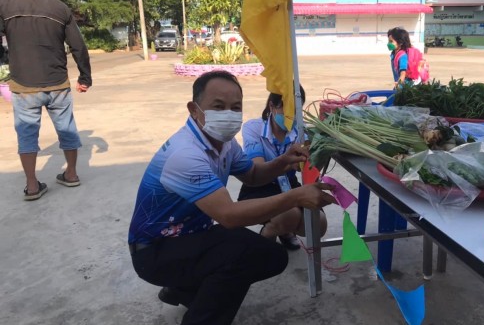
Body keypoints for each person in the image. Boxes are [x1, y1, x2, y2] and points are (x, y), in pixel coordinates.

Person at [128, 71, 335, 325]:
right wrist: (296, 196)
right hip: (155, 251)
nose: (228, 114)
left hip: (190, 237)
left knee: (266, 254)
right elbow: (229, 216)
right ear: (194, 109)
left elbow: (252, 174)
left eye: (235, 107)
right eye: (218, 106)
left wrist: (283, 162)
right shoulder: (185, 154)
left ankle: (184, 288)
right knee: (242, 254)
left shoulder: (223, 142)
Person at [0, 0, 92, 201]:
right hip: (57, 83)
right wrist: (85, 77)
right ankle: (71, 174)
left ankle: (32, 186)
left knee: (27, 134)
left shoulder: (4, 3)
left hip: (23, 85)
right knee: (67, 128)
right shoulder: (59, 7)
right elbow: (78, 46)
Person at [238, 87, 328, 250]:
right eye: (286, 109)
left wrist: (315, 158)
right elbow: (257, 168)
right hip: (260, 185)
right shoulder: (253, 128)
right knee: (289, 214)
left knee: (319, 225)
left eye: (296, 110)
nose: (291, 116)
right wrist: (286, 161)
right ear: (272, 106)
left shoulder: (303, 133)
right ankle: (270, 232)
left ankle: (285, 229)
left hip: (288, 184)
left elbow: (306, 170)